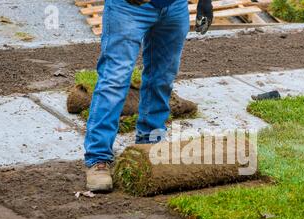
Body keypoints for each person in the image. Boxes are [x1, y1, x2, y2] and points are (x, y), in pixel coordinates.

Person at [84, 0, 213, 192]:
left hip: (174, 7)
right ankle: (98, 158)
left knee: (162, 78)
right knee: (115, 80)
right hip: (128, 8)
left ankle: (151, 144)